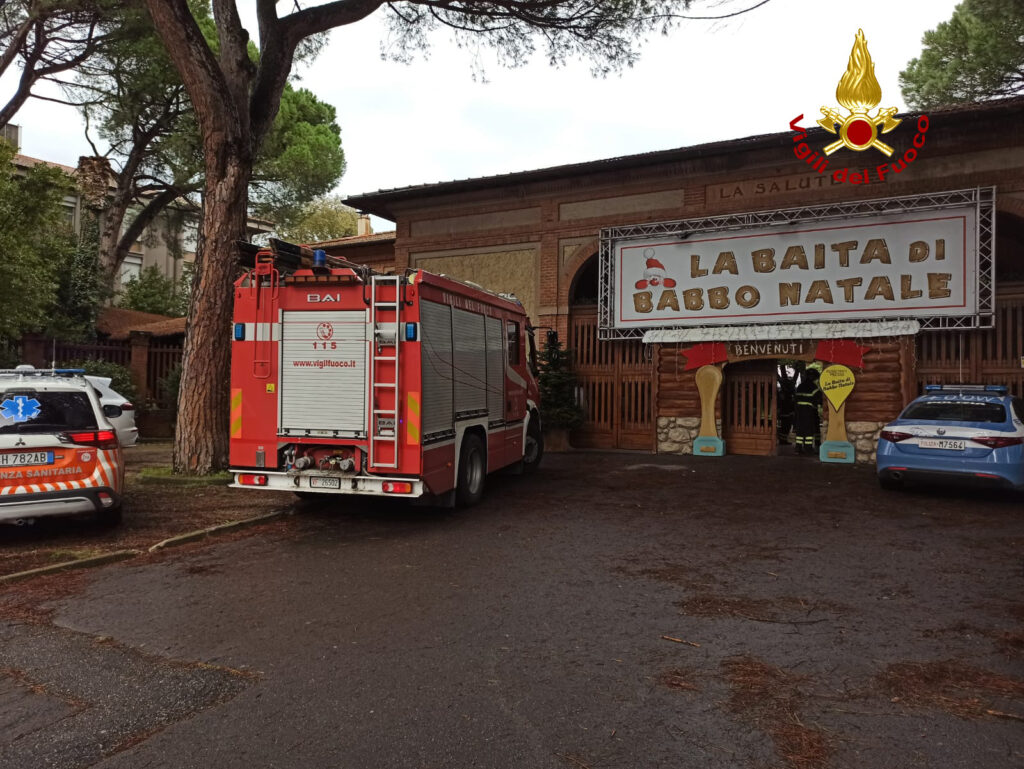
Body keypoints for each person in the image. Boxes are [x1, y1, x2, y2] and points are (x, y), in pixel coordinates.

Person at [793, 368, 821, 455]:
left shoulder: (800, 386)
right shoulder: (814, 387)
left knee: (800, 429)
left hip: (799, 411)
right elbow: (819, 399)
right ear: (814, 377)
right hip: (809, 411)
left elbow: (795, 399)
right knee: (808, 429)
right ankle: (808, 448)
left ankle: (798, 447)